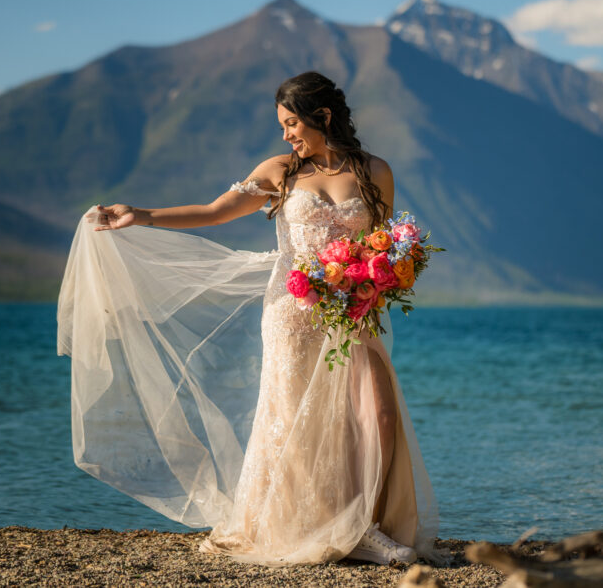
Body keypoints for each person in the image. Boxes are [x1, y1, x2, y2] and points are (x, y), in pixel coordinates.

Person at [57, 72, 446, 567]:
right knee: (296, 423)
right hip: (292, 313)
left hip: (353, 314)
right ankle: (317, 524)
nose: (286, 134)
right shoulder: (280, 171)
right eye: (282, 126)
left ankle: (365, 526)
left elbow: (382, 245)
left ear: (322, 117)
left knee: (378, 416)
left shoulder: (375, 171)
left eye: (292, 123)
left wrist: (380, 277)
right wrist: (141, 213)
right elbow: (215, 211)